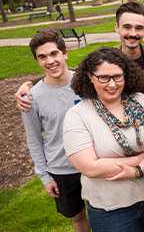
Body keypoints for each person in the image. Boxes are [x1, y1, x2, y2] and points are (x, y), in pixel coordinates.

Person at [15, 1, 144, 109]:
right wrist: (30, 84)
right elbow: (70, 73)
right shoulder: (105, 60)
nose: (133, 33)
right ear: (116, 27)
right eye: (127, 27)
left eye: (139, 27)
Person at [62, 46, 144, 232]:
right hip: (111, 207)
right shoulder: (77, 115)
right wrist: (139, 159)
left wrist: (139, 169)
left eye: (118, 76)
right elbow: (89, 167)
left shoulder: (143, 101)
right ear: (90, 76)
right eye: (104, 78)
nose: (112, 84)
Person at [20, 30, 90, 232]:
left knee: (102, 212)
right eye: (42, 57)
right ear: (37, 61)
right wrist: (44, 176)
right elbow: (34, 140)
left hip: (95, 161)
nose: (49, 61)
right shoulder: (31, 98)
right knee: (77, 218)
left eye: (54, 54)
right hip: (62, 169)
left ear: (65, 53)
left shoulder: (87, 83)